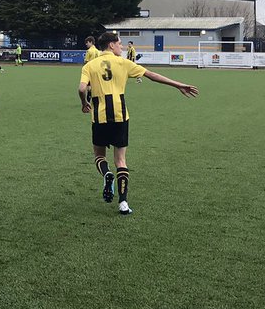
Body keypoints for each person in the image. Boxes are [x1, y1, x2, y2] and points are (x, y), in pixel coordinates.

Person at [78, 30, 198, 215]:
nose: (122, 47)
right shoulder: (124, 63)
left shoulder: (90, 66)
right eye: (119, 44)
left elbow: (81, 88)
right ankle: (123, 203)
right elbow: (152, 75)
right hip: (120, 115)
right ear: (111, 45)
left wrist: (84, 102)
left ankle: (106, 174)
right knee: (121, 160)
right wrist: (178, 85)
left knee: (99, 157)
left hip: (100, 116)